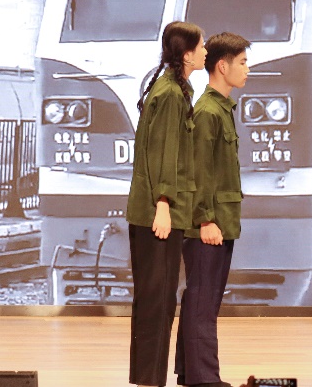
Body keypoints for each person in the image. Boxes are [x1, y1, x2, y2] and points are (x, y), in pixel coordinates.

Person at [126, 21, 206, 387]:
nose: (205, 51)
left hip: (154, 210)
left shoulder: (170, 88)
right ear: (187, 54)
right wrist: (163, 204)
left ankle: (148, 377)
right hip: (159, 213)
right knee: (158, 301)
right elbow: (164, 153)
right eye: (201, 46)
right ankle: (149, 380)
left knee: (153, 299)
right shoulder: (172, 94)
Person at [174, 32, 250, 387]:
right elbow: (198, 171)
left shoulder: (220, 109)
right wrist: (205, 219)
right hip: (209, 224)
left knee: (199, 300)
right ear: (223, 66)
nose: (247, 70)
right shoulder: (208, 112)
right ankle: (205, 379)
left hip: (219, 221)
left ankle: (190, 373)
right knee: (203, 302)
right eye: (243, 62)